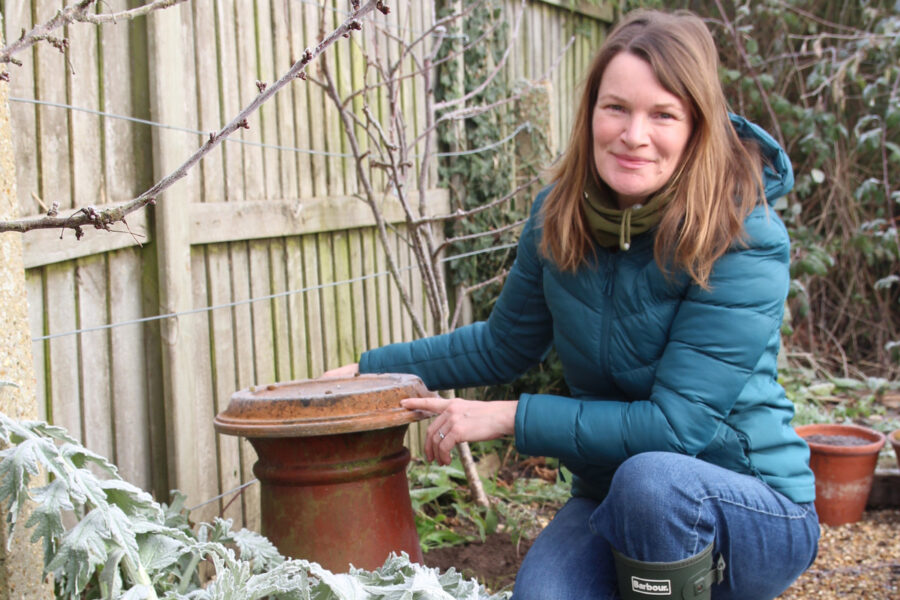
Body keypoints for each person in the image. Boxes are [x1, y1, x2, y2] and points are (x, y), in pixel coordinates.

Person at [324, 9, 819, 599]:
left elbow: (675, 427)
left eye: (663, 114)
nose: (634, 135)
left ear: (697, 127)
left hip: (751, 505)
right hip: (614, 496)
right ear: (589, 115)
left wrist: (508, 416)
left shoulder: (743, 235)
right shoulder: (558, 215)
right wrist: (369, 371)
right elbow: (502, 343)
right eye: (617, 108)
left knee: (655, 483)